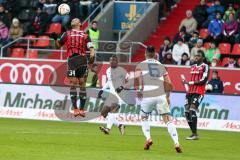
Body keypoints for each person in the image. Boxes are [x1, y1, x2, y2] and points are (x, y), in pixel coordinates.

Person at [131, 46, 182, 152]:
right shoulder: (161, 65)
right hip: (160, 95)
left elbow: (137, 82)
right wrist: (168, 97)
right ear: (155, 54)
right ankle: (176, 143)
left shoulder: (140, 65)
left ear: (145, 53)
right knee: (168, 120)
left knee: (144, 118)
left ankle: (148, 138)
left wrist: (139, 91)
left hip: (148, 95)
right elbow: (168, 83)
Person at [51, 18, 95, 117]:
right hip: (71, 61)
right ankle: (75, 109)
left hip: (82, 61)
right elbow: (58, 46)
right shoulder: (66, 34)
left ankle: (82, 109)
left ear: (80, 23)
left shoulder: (86, 35)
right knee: (73, 83)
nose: (74, 20)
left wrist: (92, 56)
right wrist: (55, 39)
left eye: (76, 20)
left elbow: (91, 48)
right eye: (73, 20)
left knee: (82, 83)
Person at [182, 50, 210, 140]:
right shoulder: (192, 66)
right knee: (186, 113)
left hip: (199, 92)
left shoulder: (205, 67)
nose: (196, 57)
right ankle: (193, 133)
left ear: (203, 57)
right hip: (190, 92)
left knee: (192, 110)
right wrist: (186, 83)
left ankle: (194, 134)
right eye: (195, 55)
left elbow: (203, 81)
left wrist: (188, 82)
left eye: (198, 55)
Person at [97, 55, 128, 135]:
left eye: (114, 60)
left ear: (117, 62)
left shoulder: (121, 70)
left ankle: (107, 129)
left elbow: (129, 80)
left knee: (111, 112)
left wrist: (121, 87)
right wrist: (102, 90)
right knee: (103, 113)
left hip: (119, 95)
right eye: (111, 60)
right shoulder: (108, 70)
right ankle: (120, 125)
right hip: (111, 95)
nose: (112, 61)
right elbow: (109, 82)